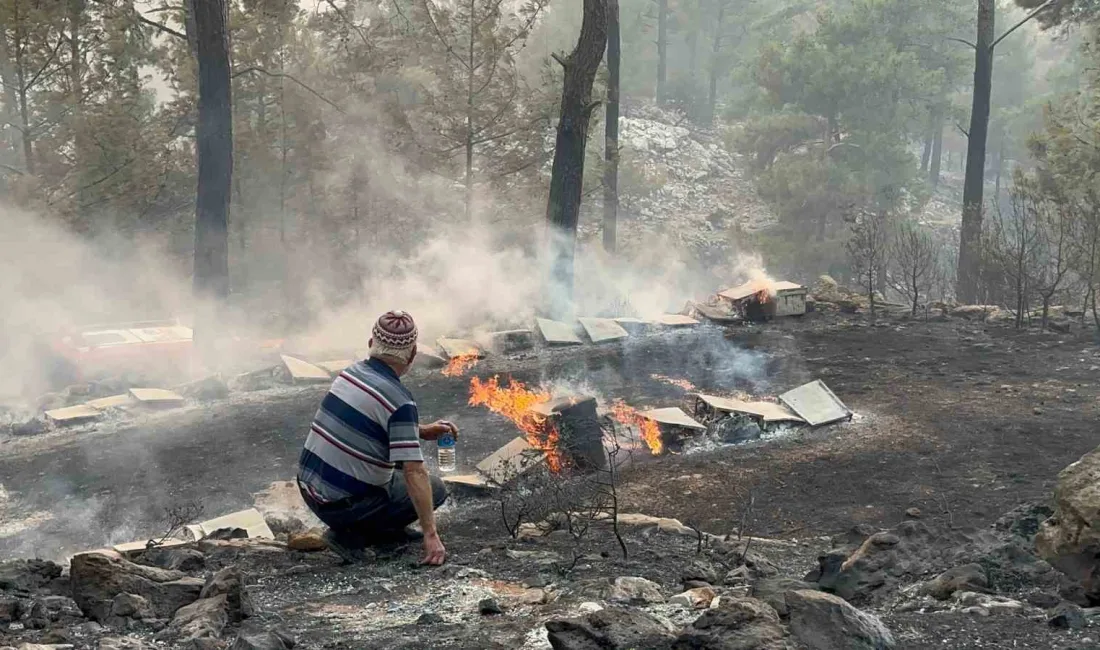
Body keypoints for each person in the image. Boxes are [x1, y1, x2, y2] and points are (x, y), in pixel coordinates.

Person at [296, 310, 458, 565]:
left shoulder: (349, 374)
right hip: (342, 506)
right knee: (435, 488)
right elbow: (414, 472)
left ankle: (383, 530)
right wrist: (431, 534)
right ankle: (352, 536)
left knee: (393, 475)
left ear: (371, 344)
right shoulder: (399, 400)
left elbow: (372, 423)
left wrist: (422, 431)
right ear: (413, 354)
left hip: (309, 489)